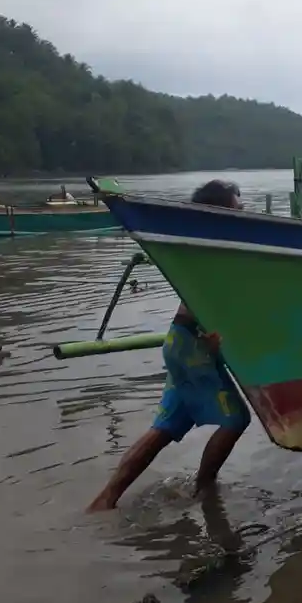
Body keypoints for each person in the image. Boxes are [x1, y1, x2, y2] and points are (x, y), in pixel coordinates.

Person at [87, 179, 251, 512]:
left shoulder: (202, 246)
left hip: (180, 341)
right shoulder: (213, 248)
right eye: (237, 207)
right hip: (193, 345)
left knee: (164, 428)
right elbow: (210, 297)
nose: (243, 212)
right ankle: (203, 490)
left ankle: (105, 500)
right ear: (218, 212)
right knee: (236, 420)